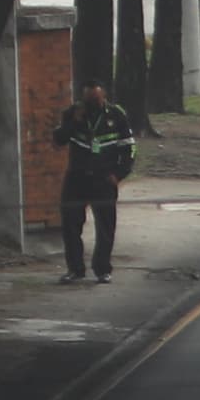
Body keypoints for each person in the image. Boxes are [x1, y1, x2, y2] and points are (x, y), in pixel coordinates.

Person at [51, 76, 137, 281]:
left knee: (105, 226)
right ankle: (75, 269)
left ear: (104, 96)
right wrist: (74, 122)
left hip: (104, 179)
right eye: (89, 100)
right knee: (70, 224)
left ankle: (103, 269)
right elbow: (59, 140)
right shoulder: (72, 114)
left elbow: (129, 148)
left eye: (96, 100)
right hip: (77, 177)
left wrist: (119, 174)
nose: (93, 105)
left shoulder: (116, 115)